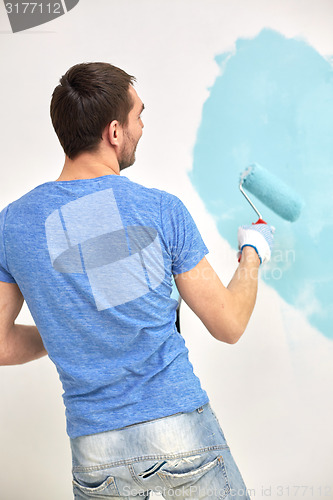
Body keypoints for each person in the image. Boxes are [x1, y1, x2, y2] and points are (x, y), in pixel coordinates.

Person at [0, 62, 274, 499]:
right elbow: (229, 325)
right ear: (113, 132)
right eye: (139, 116)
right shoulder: (160, 210)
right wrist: (252, 253)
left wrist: (69, 328)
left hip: (94, 451)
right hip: (178, 431)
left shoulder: (13, 224)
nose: (142, 128)